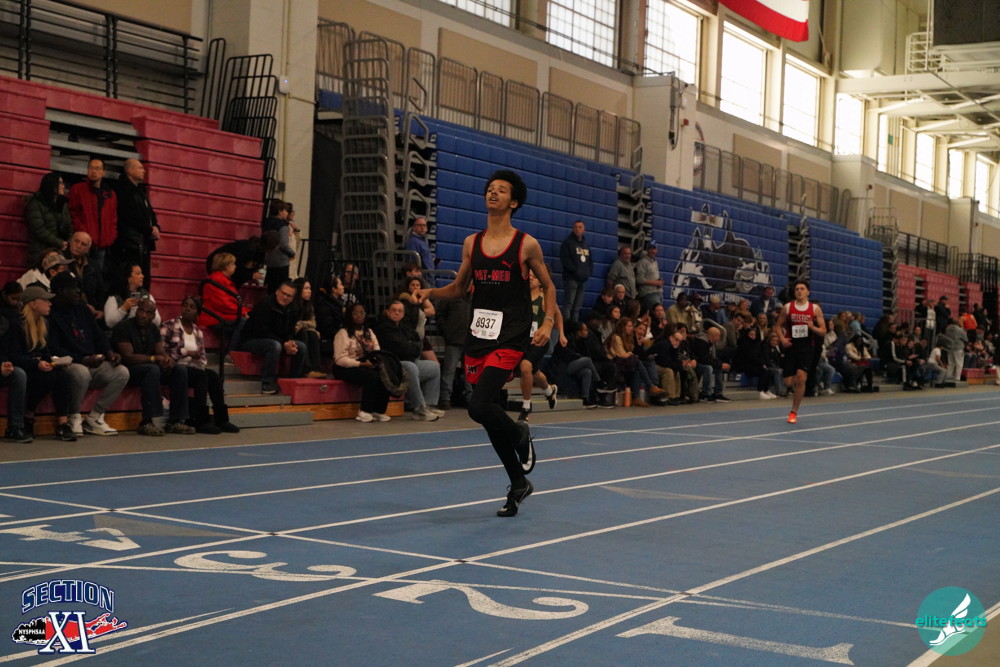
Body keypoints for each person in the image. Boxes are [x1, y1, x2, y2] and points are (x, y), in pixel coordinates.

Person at [417, 169, 555, 518]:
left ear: (514, 202)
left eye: (501, 190)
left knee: (478, 407)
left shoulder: (526, 244)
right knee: (489, 413)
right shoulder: (471, 243)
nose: (493, 193)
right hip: (480, 335)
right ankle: (518, 482)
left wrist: (548, 322)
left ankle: (520, 432)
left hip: (511, 335)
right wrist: (432, 291)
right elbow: (459, 289)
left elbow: (549, 286)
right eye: (490, 189)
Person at [47, 272, 128, 436]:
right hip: (69, 363)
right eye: (73, 288)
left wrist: (109, 352)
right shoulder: (51, 313)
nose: (78, 291)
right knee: (81, 372)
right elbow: (53, 348)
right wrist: (82, 359)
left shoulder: (82, 308)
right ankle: (74, 417)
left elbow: (98, 335)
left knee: (121, 372)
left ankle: (95, 418)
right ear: (61, 290)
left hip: (92, 362)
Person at [112, 298, 194, 435]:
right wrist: (153, 359)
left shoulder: (153, 329)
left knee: (179, 370)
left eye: (148, 313)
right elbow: (128, 357)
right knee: (152, 368)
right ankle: (147, 422)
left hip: (149, 371)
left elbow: (160, 352)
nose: (143, 315)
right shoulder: (124, 327)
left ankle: (176, 421)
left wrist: (167, 359)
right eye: (141, 311)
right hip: (127, 370)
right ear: (136, 311)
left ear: (153, 316)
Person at [161, 296, 240, 434]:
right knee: (200, 376)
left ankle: (222, 419)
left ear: (197, 312)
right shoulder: (168, 326)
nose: (187, 309)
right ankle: (201, 420)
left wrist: (198, 360)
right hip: (175, 368)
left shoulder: (198, 331)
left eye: (192, 307)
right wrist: (187, 352)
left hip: (194, 367)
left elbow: (203, 357)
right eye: (185, 305)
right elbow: (163, 353)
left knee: (213, 375)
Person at [10, 285, 76, 441]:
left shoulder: (44, 323)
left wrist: (55, 362)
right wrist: (36, 364)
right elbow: (14, 355)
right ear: (33, 304)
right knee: (47, 377)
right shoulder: (16, 324)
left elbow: (45, 352)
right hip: (23, 366)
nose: (50, 304)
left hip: (36, 365)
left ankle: (63, 423)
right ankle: (28, 416)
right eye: (45, 300)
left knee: (62, 375)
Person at [374, 300, 443, 421]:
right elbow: (399, 349)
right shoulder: (383, 328)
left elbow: (417, 346)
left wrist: (408, 347)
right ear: (388, 312)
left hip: (409, 360)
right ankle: (419, 408)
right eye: (394, 310)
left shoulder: (406, 328)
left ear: (403, 314)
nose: (397, 313)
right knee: (411, 367)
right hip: (393, 364)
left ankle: (429, 404)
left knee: (434, 367)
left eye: (400, 311)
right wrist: (409, 346)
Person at [240, 280, 307, 394]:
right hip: (253, 339)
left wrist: (290, 342)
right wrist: (283, 343)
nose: (285, 297)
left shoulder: (294, 309)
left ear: (292, 298)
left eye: (289, 296)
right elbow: (261, 331)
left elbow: (290, 330)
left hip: (278, 340)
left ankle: (292, 381)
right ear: (277, 292)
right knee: (275, 346)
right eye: (283, 293)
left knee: (301, 347)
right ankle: (267, 382)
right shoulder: (265, 304)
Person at [775, 280, 826, 424]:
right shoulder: (788, 307)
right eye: (797, 289)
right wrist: (782, 339)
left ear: (808, 292)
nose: (799, 291)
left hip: (807, 347)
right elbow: (778, 326)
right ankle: (793, 390)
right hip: (791, 346)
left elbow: (823, 331)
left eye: (802, 289)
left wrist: (812, 327)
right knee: (788, 382)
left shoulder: (815, 309)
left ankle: (793, 411)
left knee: (801, 378)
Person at [333, 303, 391, 422]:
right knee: (371, 376)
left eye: (362, 313)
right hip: (345, 367)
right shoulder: (343, 333)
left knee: (385, 374)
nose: (359, 316)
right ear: (349, 316)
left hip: (366, 364)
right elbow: (340, 359)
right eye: (355, 313)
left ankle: (379, 410)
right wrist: (360, 364)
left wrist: (376, 361)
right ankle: (365, 411)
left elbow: (377, 350)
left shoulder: (369, 332)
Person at [516, 271, 561, 421]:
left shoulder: (544, 298)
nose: (530, 278)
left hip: (539, 340)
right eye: (529, 275)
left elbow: (558, 314)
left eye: (534, 276)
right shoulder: (521, 296)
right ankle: (549, 391)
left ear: (540, 281)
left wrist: (562, 334)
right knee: (534, 373)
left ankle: (526, 407)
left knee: (525, 367)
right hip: (523, 340)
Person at [67, 157, 117, 283]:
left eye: (97, 168)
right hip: (84, 242)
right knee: (80, 275)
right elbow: (73, 213)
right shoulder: (77, 189)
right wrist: (82, 231)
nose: (93, 171)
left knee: (96, 277)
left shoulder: (110, 194)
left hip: (102, 243)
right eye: (91, 168)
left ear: (103, 172)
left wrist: (110, 236)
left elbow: (113, 217)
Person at [112, 159, 159, 289]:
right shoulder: (123, 191)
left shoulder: (140, 191)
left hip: (142, 243)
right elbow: (130, 216)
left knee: (142, 278)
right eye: (140, 168)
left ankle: (140, 300)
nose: (143, 171)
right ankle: (133, 300)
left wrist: (155, 226)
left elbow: (149, 212)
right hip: (130, 243)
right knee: (132, 278)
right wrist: (149, 229)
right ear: (129, 170)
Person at [198, 252, 249, 349]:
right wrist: (244, 312)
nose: (235, 266)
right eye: (233, 264)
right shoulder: (217, 280)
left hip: (222, 315)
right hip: (214, 317)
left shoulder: (222, 280)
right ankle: (232, 353)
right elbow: (223, 304)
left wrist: (245, 312)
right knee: (244, 322)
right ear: (226, 265)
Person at [435, 288, 471, 410]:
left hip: (470, 340)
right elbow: (440, 315)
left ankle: (470, 397)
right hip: (454, 338)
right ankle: (445, 398)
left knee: (470, 371)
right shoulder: (450, 296)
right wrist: (447, 332)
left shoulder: (475, 297)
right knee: (449, 370)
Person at [25, 172, 72, 264]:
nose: (63, 186)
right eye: (60, 183)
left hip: (60, 250)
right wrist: (59, 242)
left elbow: (69, 225)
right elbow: (38, 229)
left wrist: (68, 242)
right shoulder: (36, 203)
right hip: (41, 250)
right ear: (52, 185)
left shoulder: (62, 203)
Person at [0, 300, 31, 442]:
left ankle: (15, 427)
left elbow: (4, 350)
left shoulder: (3, 322)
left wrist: (4, 364)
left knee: (18, 374)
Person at [104, 263, 160, 329]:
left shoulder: (146, 296)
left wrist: (147, 309)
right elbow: (109, 323)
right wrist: (124, 308)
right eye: (138, 274)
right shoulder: (115, 297)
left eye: (141, 273)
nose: (142, 276)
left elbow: (157, 322)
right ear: (128, 278)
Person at [64, 231, 104, 318]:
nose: (78, 246)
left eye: (83, 244)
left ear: (87, 249)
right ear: (71, 242)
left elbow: (100, 290)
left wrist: (100, 309)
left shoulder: (93, 265)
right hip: (70, 310)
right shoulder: (62, 262)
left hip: (93, 310)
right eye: (76, 241)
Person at [292, 277, 326, 378]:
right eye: (306, 288)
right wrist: (303, 326)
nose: (309, 291)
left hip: (302, 329)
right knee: (303, 333)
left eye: (310, 288)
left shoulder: (309, 305)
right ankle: (306, 369)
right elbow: (294, 325)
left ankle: (315, 368)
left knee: (312, 334)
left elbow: (313, 323)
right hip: (292, 331)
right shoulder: (292, 303)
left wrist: (302, 324)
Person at [559, 220, 591, 322]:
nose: (577, 229)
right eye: (576, 227)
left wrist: (588, 273)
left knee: (577, 307)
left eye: (580, 227)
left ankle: (575, 327)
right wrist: (575, 271)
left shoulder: (586, 244)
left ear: (584, 229)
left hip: (582, 279)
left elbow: (590, 261)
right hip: (571, 278)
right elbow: (565, 260)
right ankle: (567, 326)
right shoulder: (568, 243)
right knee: (569, 304)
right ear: (573, 229)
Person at [262, 199, 295, 292]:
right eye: (285, 211)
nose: (287, 213)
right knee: (280, 288)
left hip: (268, 259)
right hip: (281, 261)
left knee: (270, 288)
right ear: (280, 211)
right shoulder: (282, 225)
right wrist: (292, 253)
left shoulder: (266, 223)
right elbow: (283, 244)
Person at [634, 241, 664, 313]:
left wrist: (659, 282)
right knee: (655, 314)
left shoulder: (654, 262)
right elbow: (639, 279)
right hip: (648, 294)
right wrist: (656, 283)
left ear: (657, 250)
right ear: (647, 250)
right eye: (650, 248)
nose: (652, 251)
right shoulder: (642, 262)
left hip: (658, 293)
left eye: (654, 248)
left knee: (658, 316)